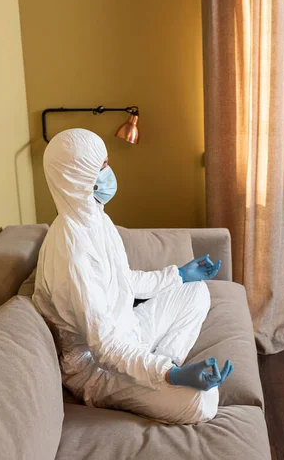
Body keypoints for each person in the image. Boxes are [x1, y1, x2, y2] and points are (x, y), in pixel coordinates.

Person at [33, 128, 233, 424]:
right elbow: (105, 348)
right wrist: (170, 376)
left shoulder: (95, 218)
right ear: (77, 178)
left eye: (106, 163)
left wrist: (178, 274)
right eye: (100, 168)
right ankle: (164, 369)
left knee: (196, 290)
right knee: (203, 402)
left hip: (128, 330)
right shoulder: (73, 254)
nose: (109, 173)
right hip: (98, 371)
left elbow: (124, 280)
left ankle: (163, 362)